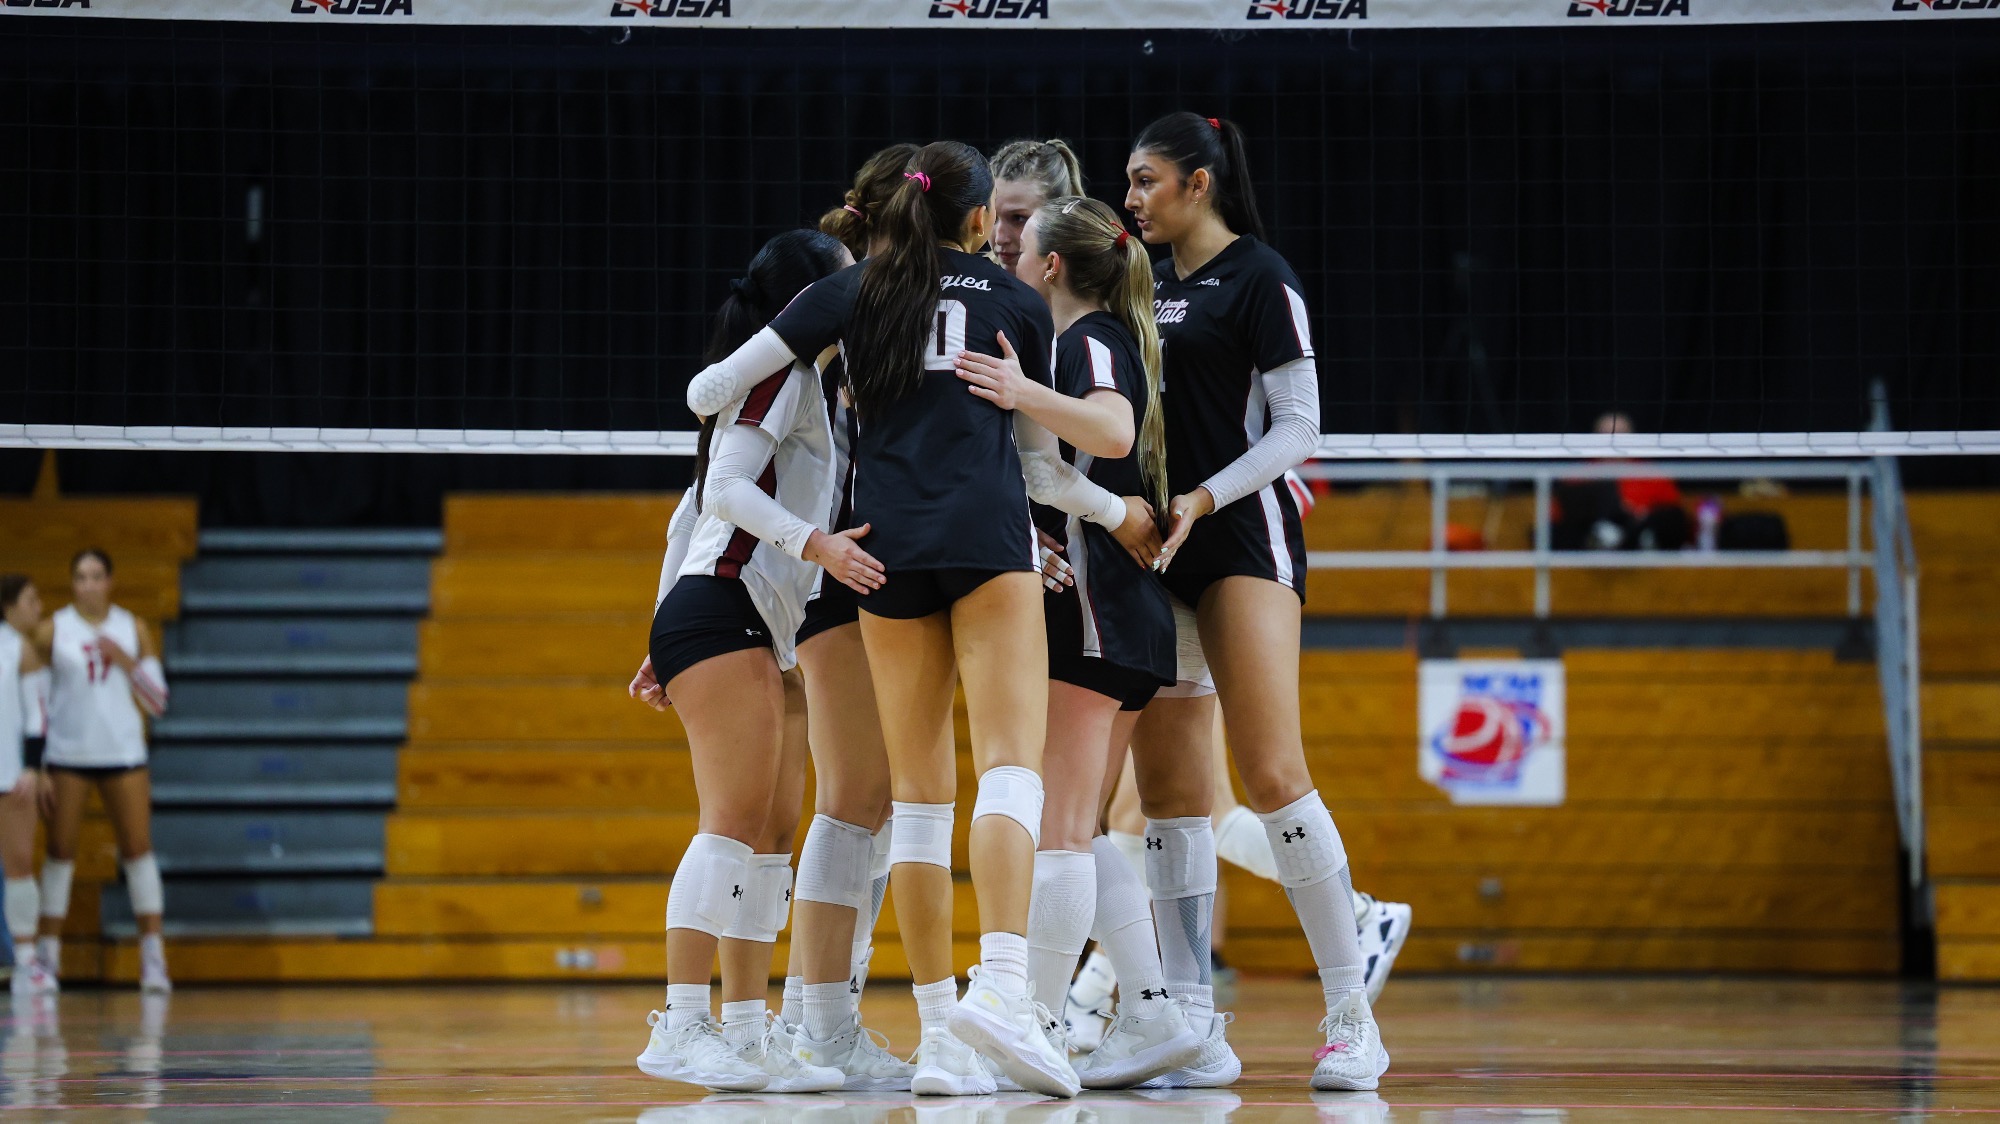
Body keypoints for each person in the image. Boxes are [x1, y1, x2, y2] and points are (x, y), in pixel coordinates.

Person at [684, 140, 1094, 1098]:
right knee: (1010, 768)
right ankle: (1003, 991)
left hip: (880, 552)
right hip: (986, 541)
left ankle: (942, 1037)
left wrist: (804, 372)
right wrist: (1106, 511)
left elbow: (708, 393)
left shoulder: (851, 291)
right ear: (976, 218)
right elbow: (1038, 462)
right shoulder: (1018, 302)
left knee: (916, 801)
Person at [1122, 111, 1389, 1091]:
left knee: (1271, 770)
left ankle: (1351, 1015)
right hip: (1153, 546)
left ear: (1198, 182)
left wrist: (1203, 497)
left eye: (1146, 179)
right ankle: (1192, 1021)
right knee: (1169, 796)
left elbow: (1298, 428)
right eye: (1127, 180)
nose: (1131, 198)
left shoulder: (1260, 277)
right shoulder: (1138, 281)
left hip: (1238, 535)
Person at [953, 194, 1209, 1089]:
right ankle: (1151, 1009)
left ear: (1052, 265)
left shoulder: (1086, 339)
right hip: (1118, 611)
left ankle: (1038, 1022)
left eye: (1023, 247)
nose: (1012, 258)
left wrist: (1019, 391)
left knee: (1059, 826)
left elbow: (1111, 429)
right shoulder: (1081, 339)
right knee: (1082, 825)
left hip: (1100, 607)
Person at [629, 228, 882, 1094]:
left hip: (746, 623)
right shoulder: (780, 374)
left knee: (773, 832)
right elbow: (724, 491)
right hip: (722, 610)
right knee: (732, 821)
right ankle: (680, 1025)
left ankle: (744, 1032)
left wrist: (657, 635)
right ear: (810, 301)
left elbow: (686, 516)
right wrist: (817, 543)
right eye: (846, 283)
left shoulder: (815, 385)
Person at [34, 549, 171, 994]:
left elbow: (157, 702)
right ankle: (47, 956)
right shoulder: (53, 629)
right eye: (80, 577)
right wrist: (37, 760)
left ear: (111, 581)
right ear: (72, 583)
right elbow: (35, 697)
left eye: (96, 576)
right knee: (60, 850)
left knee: (137, 849)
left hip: (123, 753)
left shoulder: (133, 628)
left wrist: (127, 661)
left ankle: (152, 956)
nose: (88, 585)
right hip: (68, 754)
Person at [0, 575, 54, 995]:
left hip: (9, 777)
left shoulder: (19, 650)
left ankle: (25, 961)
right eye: (31, 600)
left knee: (19, 865)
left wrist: (32, 768)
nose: (39, 608)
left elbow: (38, 717)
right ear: (9, 605)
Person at [989, 139, 1085, 274]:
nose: (1000, 238)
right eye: (991, 218)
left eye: (1018, 218)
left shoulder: (1098, 282)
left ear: (1060, 218)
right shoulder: (970, 280)